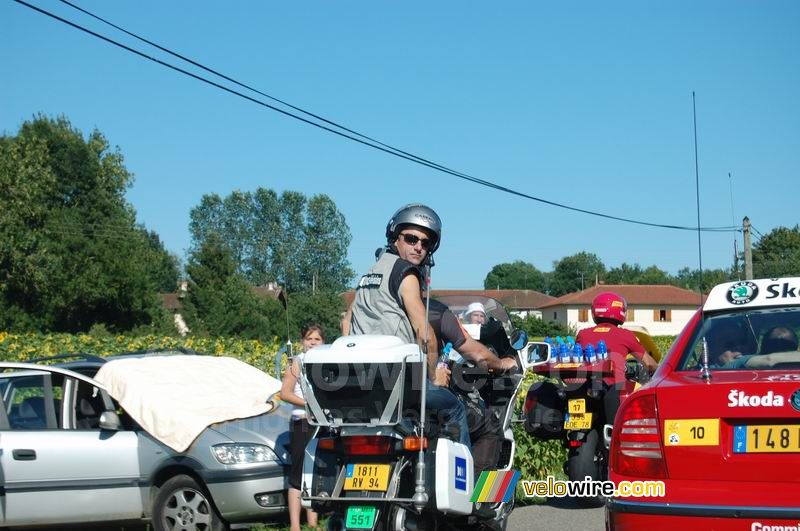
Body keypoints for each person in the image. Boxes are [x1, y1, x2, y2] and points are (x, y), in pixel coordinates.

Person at [342, 204, 470, 449]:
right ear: (395, 239)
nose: (418, 247)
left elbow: (346, 320)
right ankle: (469, 486)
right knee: (455, 409)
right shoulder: (406, 273)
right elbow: (426, 334)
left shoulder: (370, 274)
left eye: (425, 242)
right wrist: (434, 377)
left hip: (360, 383)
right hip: (396, 385)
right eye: (411, 239)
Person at [427, 298, 516, 475]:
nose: (479, 318)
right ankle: (476, 493)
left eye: (481, 315)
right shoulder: (435, 311)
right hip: (428, 395)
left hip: (390, 399)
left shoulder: (383, 310)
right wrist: (501, 363)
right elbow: (476, 352)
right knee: (490, 425)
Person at [280, 323, 324, 531]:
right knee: (298, 475)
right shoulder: (296, 363)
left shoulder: (326, 361)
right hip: (302, 422)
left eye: (317, 339)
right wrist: (308, 406)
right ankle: (295, 526)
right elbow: (285, 393)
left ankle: (313, 524)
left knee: (314, 473)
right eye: (309, 339)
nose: (313, 343)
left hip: (321, 423)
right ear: (302, 342)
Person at [576, 292, 658, 374]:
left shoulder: (582, 334)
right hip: (615, 385)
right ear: (619, 310)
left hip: (585, 384)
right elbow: (649, 364)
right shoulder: (625, 335)